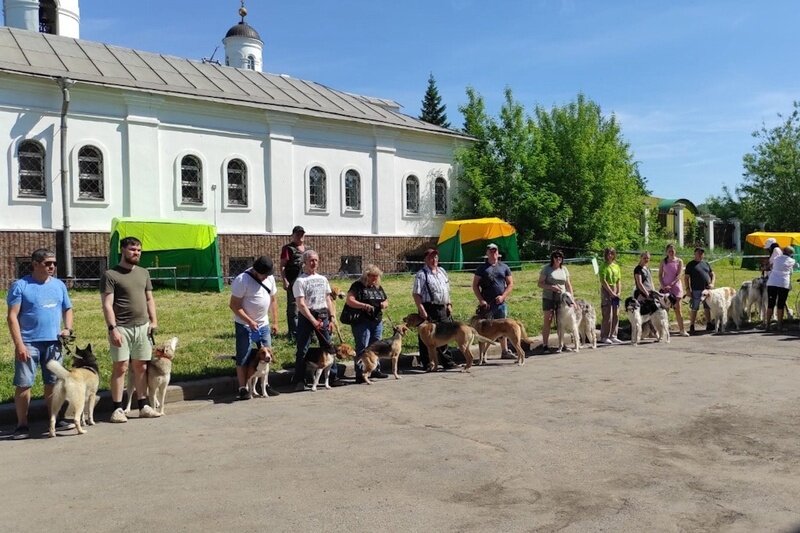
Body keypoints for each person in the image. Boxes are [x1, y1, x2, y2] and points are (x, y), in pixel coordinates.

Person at [6, 249, 75, 439]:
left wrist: (67, 329)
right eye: (47, 263)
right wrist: (19, 344)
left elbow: (67, 309)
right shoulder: (21, 286)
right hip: (29, 343)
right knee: (24, 383)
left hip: (54, 342)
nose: (52, 266)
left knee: (53, 383)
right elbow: (12, 317)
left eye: (53, 263)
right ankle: (22, 425)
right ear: (35, 264)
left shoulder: (59, 285)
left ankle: (54, 419)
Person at [101, 236, 160, 422]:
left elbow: (149, 298)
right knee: (121, 367)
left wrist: (153, 321)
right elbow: (107, 304)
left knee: (141, 366)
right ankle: (117, 409)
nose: (136, 253)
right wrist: (112, 328)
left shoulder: (143, 273)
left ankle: (143, 405)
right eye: (133, 250)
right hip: (122, 327)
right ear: (123, 250)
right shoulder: (111, 275)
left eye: (139, 250)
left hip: (142, 327)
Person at [292, 250, 345, 391]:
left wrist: (332, 317)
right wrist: (312, 320)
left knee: (328, 346)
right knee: (302, 349)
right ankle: (299, 380)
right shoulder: (300, 281)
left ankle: (333, 377)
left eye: (315, 260)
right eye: (310, 260)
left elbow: (328, 299)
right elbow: (301, 304)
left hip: (322, 315)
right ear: (305, 262)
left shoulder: (323, 279)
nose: (313, 263)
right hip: (307, 316)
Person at [229, 256, 280, 400]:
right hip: (244, 324)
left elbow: (273, 301)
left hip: (263, 323)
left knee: (267, 354)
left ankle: (265, 386)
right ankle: (242, 387)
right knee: (244, 355)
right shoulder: (242, 280)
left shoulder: (269, 279)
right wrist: (249, 321)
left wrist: (275, 322)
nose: (266, 278)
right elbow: (234, 305)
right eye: (264, 275)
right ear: (256, 271)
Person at [411, 248, 457, 370]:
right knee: (426, 336)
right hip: (429, 307)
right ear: (426, 259)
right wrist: (421, 309)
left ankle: (447, 361)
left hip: (443, 307)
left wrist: (449, 304)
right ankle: (427, 362)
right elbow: (416, 294)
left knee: (444, 334)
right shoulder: (422, 274)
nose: (434, 260)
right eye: (431, 257)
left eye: (436, 257)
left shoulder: (442, 271)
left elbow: (447, 289)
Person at [345, 264, 389, 384]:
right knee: (362, 346)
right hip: (361, 321)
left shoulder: (377, 287)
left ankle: (374, 369)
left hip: (376, 320)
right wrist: (363, 305)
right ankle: (360, 373)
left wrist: (384, 304)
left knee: (376, 346)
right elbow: (349, 300)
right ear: (366, 275)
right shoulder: (357, 286)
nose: (375, 279)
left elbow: (385, 299)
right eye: (372, 276)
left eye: (377, 276)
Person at [472, 243, 515, 359]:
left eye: (495, 251)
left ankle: (505, 351)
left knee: (503, 328)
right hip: (487, 305)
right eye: (491, 251)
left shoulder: (504, 267)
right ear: (487, 253)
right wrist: (481, 300)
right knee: (486, 329)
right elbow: (475, 285)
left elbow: (510, 284)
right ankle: (483, 355)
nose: (493, 253)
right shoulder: (481, 268)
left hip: (500, 304)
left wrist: (503, 296)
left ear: (498, 252)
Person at [536, 250, 573, 353]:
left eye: (560, 257)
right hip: (549, 297)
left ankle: (562, 344)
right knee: (548, 320)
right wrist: (551, 287)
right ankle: (545, 345)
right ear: (552, 258)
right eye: (556, 257)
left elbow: (568, 284)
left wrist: (571, 298)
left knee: (561, 322)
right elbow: (540, 283)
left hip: (562, 299)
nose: (558, 259)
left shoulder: (564, 269)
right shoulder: (547, 269)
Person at [280, 226, 306, 342]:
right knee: (293, 308)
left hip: (306, 282)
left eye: (302, 234)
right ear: (293, 235)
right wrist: (284, 280)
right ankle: (294, 334)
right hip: (293, 282)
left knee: (306, 307)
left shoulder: (307, 249)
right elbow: (282, 265)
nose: (300, 236)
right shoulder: (288, 249)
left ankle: (306, 332)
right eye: (298, 234)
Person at [659, 243, 689, 336]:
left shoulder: (679, 261)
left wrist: (671, 284)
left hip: (676, 287)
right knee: (665, 309)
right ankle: (664, 330)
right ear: (666, 252)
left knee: (678, 309)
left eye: (673, 251)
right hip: (665, 288)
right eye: (669, 251)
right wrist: (663, 285)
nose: (671, 252)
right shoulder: (663, 262)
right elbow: (660, 275)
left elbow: (679, 275)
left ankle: (682, 329)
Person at [683, 247, 715, 335]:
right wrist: (687, 289)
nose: (701, 255)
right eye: (699, 253)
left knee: (707, 307)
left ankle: (709, 323)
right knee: (694, 307)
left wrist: (712, 283)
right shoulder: (690, 264)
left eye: (702, 253)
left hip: (707, 289)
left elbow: (712, 274)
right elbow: (686, 278)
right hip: (696, 290)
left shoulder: (706, 264)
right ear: (695, 254)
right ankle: (692, 325)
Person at [765, 247, 796, 331]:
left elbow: (768, 267)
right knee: (780, 305)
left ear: (783, 252)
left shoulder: (776, 258)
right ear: (791, 254)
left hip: (772, 283)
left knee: (770, 304)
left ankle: (767, 325)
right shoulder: (792, 261)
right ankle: (779, 325)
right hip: (783, 283)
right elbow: (792, 270)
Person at [599, 247, 622, 344]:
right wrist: (610, 292)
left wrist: (618, 292)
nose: (610, 256)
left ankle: (613, 335)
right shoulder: (603, 266)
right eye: (608, 254)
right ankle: (604, 336)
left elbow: (619, 280)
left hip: (615, 290)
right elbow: (603, 281)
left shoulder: (616, 266)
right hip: (607, 290)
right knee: (608, 313)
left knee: (616, 313)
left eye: (612, 254)